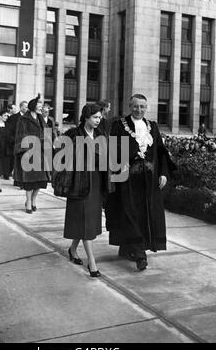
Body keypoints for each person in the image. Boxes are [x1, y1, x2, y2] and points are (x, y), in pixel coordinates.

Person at [105, 94, 176, 272]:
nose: (139, 110)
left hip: (149, 181)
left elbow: (160, 150)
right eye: (136, 106)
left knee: (146, 215)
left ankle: (128, 247)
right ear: (130, 106)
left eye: (142, 107)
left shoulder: (152, 126)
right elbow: (113, 149)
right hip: (128, 179)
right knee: (129, 213)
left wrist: (164, 173)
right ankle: (139, 254)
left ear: (147, 107)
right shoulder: (118, 125)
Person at [62, 103, 110, 277]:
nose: (98, 120)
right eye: (95, 117)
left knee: (87, 222)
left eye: (100, 117)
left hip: (96, 183)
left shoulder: (100, 135)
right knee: (84, 221)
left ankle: (73, 249)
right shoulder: (73, 135)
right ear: (86, 117)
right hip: (79, 183)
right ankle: (92, 262)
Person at [14, 97, 50, 213]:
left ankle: (34, 199)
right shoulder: (23, 119)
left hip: (41, 153)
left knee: (41, 180)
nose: (42, 107)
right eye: (40, 105)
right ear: (33, 106)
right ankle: (28, 202)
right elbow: (21, 136)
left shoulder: (41, 119)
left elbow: (48, 134)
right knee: (29, 180)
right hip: (29, 153)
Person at [7, 101, 28, 178]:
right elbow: (9, 131)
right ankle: (8, 172)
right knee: (13, 160)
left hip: (25, 143)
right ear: (21, 107)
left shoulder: (29, 118)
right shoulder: (13, 118)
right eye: (25, 107)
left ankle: (18, 178)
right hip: (15, 143)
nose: (27, 108)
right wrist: (13, 140)